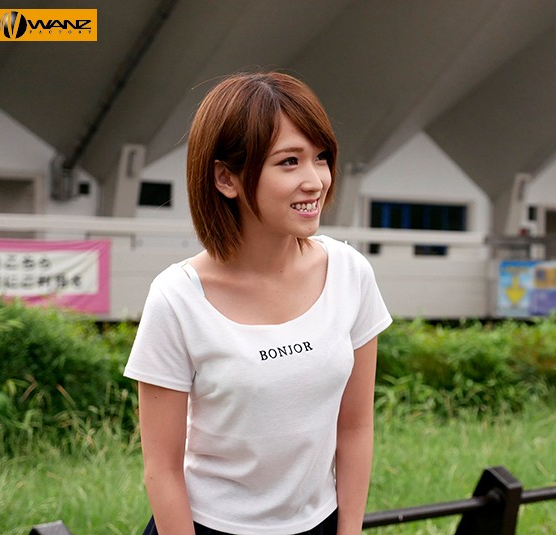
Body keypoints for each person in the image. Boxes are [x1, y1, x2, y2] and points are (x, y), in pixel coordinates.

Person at [123, 71, 392, 535]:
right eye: (289, 162)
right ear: (225, 178)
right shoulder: (178, 298)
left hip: (320, 523)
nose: (315, 181)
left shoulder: (350, 273)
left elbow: (354, 428)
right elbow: (161, 469)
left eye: (321, 157)